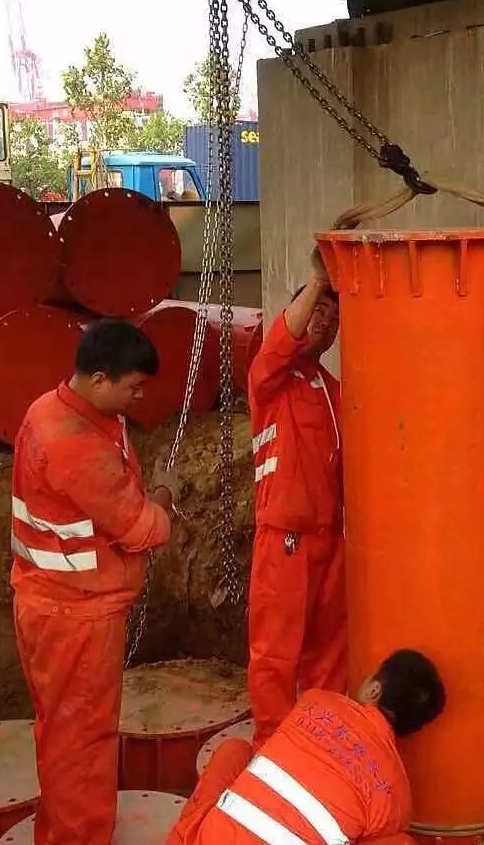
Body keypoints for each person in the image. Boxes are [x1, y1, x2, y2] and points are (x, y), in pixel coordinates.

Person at [10, 320, 181, 845]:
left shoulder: (52, 409)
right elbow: (142, 527)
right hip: (77, 617)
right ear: (100, 378)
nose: (138, 397)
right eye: (133, 386)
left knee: (61, 735)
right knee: (83, 743)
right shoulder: (76, 445)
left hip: (51, 602)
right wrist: (165, 503)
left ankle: (58, 833)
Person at [167, 649, 446, 845]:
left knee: (235, 750)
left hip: (208, 841)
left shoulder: (317, 702)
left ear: (375, 689)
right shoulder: (396, 797)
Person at [246, 264, 345, 747]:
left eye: (333, 319)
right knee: (275, 654)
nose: (323, 323)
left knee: (330, 653)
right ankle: (274, 750)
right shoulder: (270, 380)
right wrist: (319, 281)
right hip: (285, 540)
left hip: (332, 542)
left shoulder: (334, 391)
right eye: (316, 313)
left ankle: (320, 747)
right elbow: (282, 338)